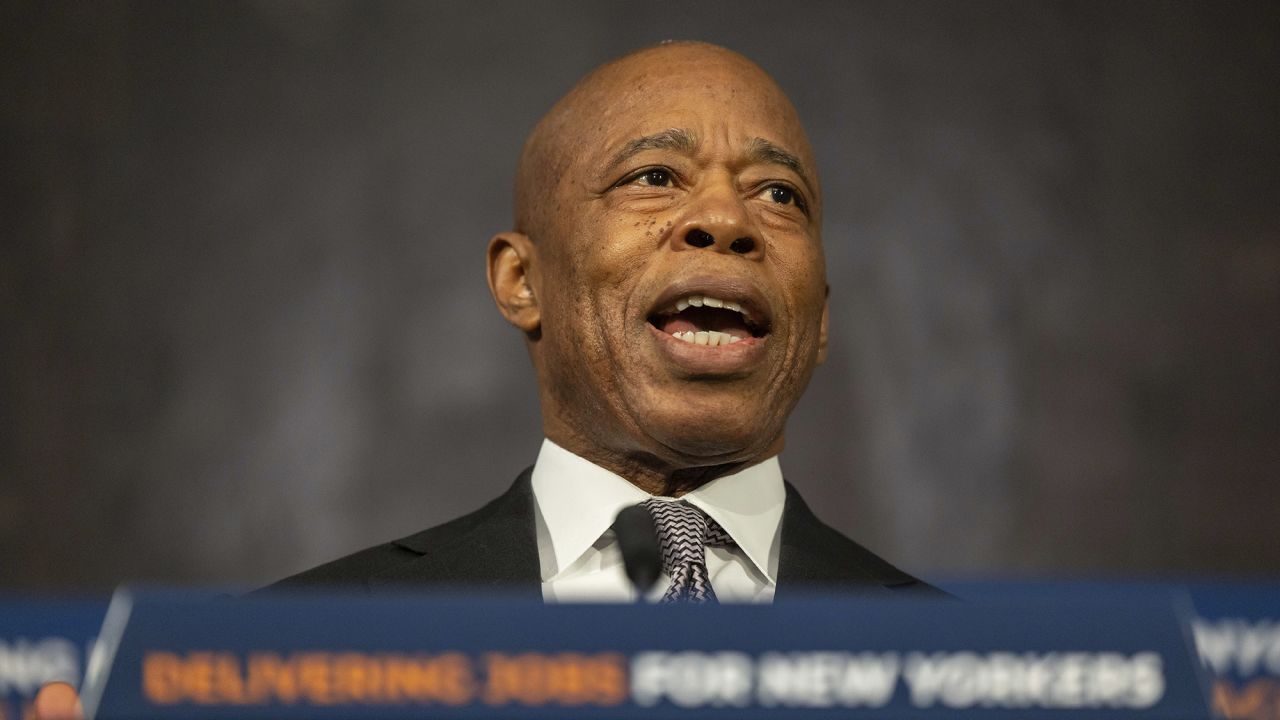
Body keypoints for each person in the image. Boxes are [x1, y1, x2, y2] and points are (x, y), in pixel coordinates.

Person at [34, 40, 934, 720]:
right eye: (655, 177)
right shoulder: (274, 668)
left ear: (818, 318)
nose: (725, 220)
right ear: (521, 281)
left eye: (780, 195)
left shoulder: (986, 671)